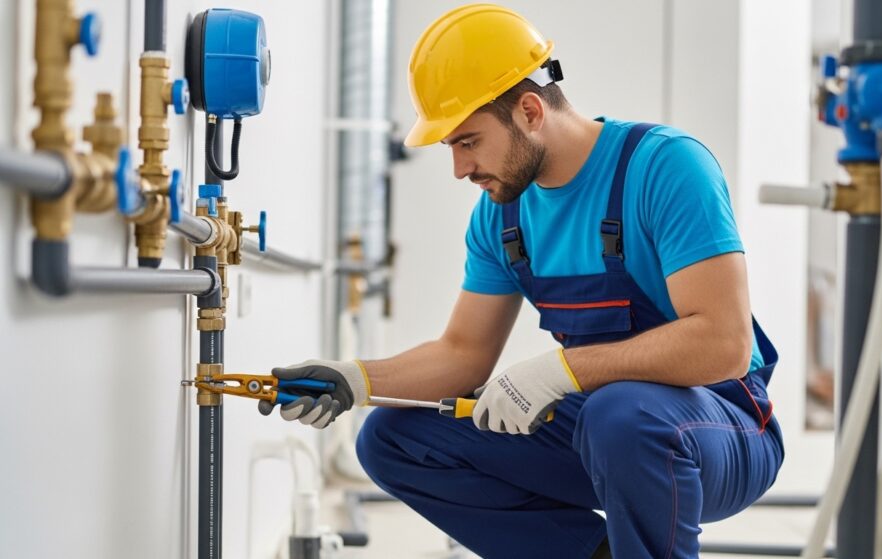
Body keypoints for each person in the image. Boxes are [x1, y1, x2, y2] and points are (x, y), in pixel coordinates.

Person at [260, 4, 784, 558]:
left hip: (720, 428)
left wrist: (562, 370)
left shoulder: (664, 168)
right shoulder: (500, 216)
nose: (460, 169)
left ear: (531, 111)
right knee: (393, 438)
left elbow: (723, 344)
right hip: (609, 429)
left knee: (621, 415)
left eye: (468, 142)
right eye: (451, 148)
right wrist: (355, 379)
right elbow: (462, 353)